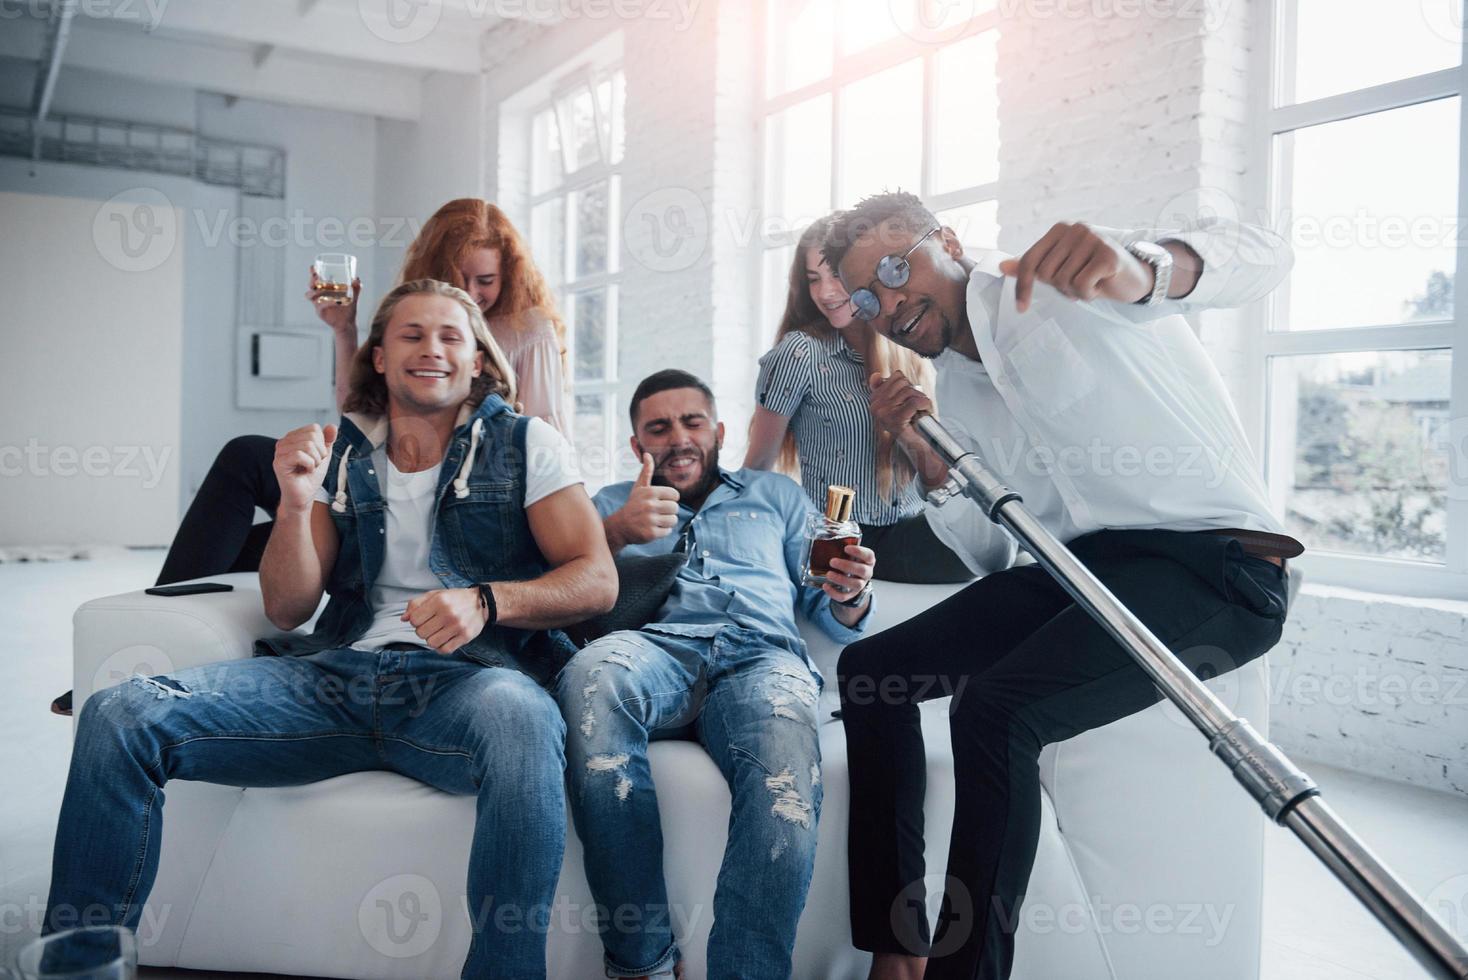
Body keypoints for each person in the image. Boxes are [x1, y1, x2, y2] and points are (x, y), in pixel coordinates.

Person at [44, 279, 616, 979]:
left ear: (477, 362)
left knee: (523, 718)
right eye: (410, 335)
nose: (430, 349)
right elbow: (288, 607)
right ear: (378, 356)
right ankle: (78, 968)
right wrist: (291, 502)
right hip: (335, 679)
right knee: (119, 713)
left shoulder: (529, 444)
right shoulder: (344, 452)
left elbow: (597, 579)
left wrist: (488, 601)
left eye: (449, 337)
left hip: (466, 685)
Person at [824, 192, 1299, 980]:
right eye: (870, 297)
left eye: (898, 268)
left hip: (1218, 566)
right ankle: (895, 948)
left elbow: (1267, 251)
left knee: (996, 710)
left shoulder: (1068, 285)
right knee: (870, 675)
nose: (891, 303)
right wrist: (931, 462)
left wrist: (1148, 268)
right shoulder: (957, 396)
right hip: (1083, 574)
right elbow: (992, 559)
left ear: (948, 239)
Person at [555, 369, 878, 980]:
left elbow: (831, 613)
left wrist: (851, 593)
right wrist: (617, 530)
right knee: (590, 677)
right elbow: (561, 592)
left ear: (718, 431)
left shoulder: (776, 496)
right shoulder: (608, 505)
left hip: (762, 657)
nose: (678, 437)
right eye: (659, 427)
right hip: (656, 651)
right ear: (637, 445)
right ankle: (641, 962)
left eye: (691, 422)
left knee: (784, 774)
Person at [155, 198, 569, 588]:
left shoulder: (528, 332)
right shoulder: (409, 320)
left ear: (478, 360)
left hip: (446, 494)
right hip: (378, 471)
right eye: (457, 279)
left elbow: (542, 444)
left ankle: (169, 609)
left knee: (248, 543)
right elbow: (361, 413)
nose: (472, 292)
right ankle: (162, 610)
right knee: (244, 472)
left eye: (485, 281)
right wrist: (344, 329)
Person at [745, 217, 971, 584]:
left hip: (915, 522)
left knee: (994, 535)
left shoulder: (909, 350)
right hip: (849, 537)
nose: (826, 293)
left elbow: (937, 477)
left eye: (836, 277)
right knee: (985, 551)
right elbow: (756, 469)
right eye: (813, 279)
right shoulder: (800, 353)